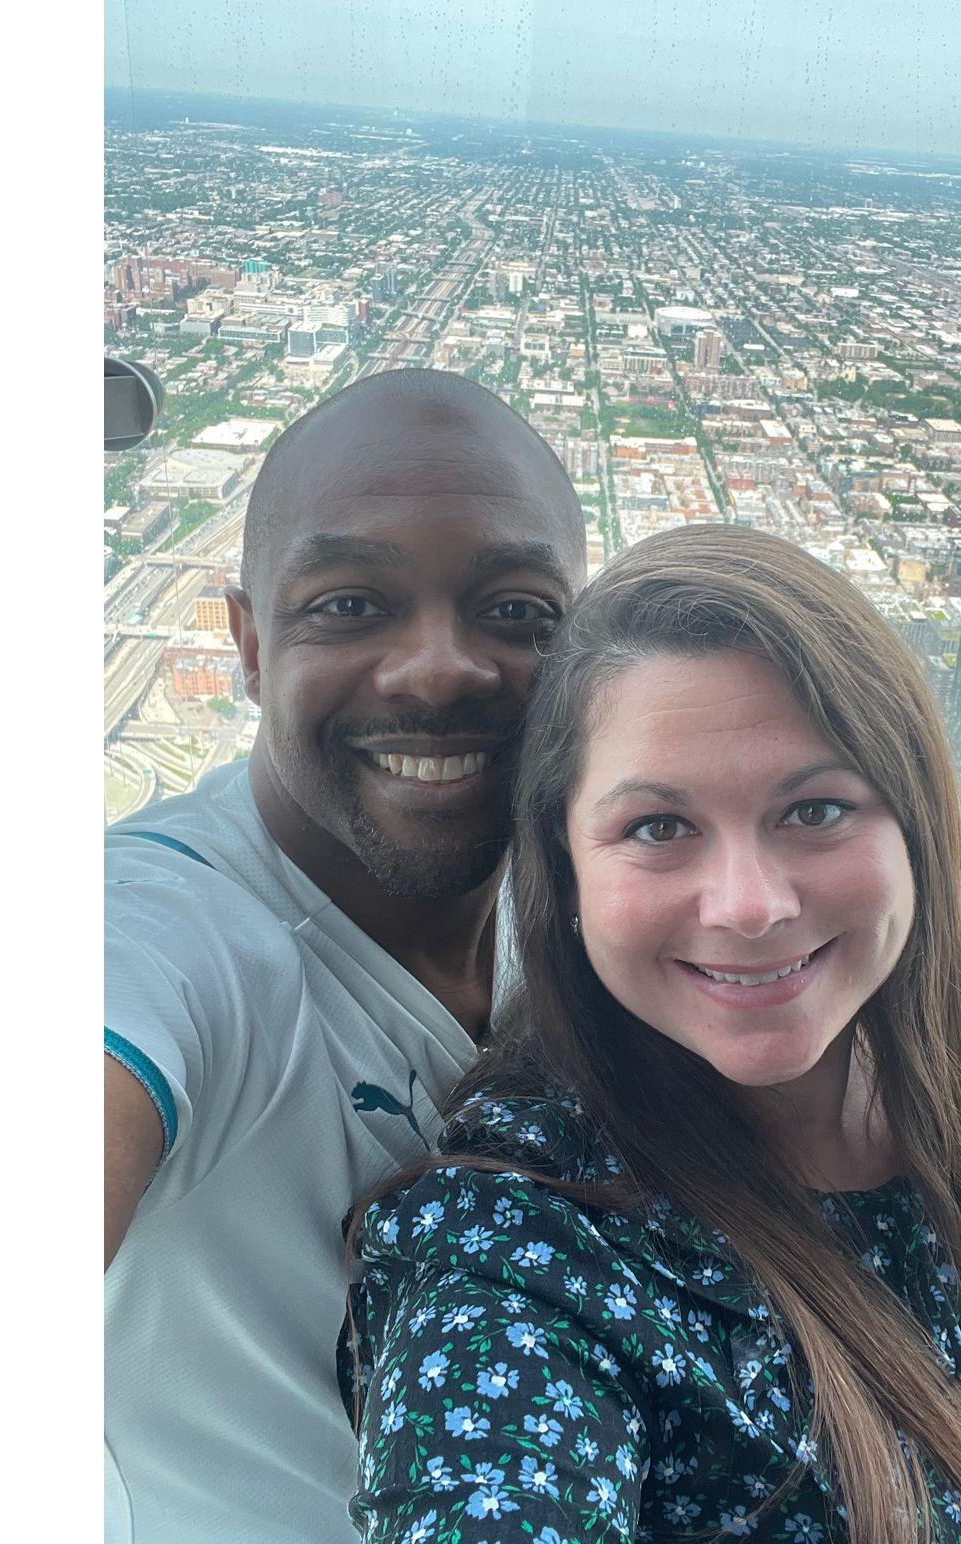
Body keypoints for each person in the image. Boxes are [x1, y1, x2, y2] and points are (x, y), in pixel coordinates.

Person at [345, 525, 961, 1544]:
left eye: (814, 808)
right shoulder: (524, 1253)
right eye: (656, 826)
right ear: (563, 870)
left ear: (911, 829)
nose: (748, 903)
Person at [104, 369, 587, 1543]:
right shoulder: (171, 927)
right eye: (348, 603)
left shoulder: (595, 910)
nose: (437, 669)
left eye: (516, 610)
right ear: (249, 642)